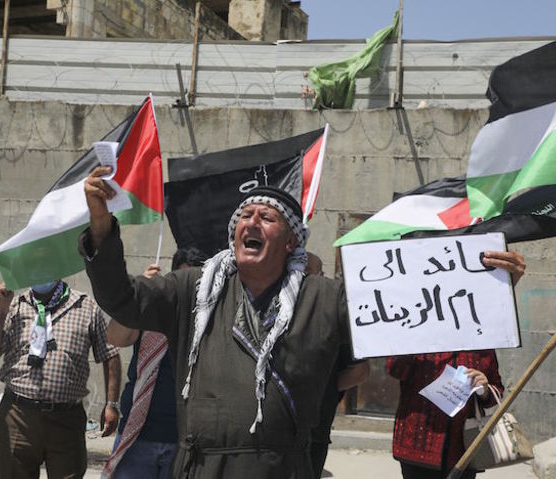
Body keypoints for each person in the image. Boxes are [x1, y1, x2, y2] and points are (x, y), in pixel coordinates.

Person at [81, 169, 353, 478]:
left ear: (291, 240)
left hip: (281, 469)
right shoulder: (192, 290)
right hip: (202, 468)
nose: (251, 222)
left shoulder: (321, 298)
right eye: (245, 215)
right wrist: (101, 227)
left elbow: (384, 319)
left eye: (266, 217)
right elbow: (122, 298)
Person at [386, 251, 525, 479]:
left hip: (463, 450)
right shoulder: (418, 328)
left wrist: (483, 388)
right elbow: (394, 369)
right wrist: (410, 342)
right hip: (418, 446)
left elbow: (496, 389)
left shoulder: (480, 339)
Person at [0, 279, 122, 479]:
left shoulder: (85, 305)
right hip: (18, 416)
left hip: (66, 418)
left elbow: (110, 354)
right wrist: (0, 309)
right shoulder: (15, 305)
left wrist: (111, 404)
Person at [103, 247, 207, 479]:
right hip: (139, 436)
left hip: (186, 442)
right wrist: (137, 296)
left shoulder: (213, 319)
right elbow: (115, 338)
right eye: (183, 280)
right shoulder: (155, 308)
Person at [305, 252, 370, 478]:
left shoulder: (333, 317)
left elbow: (360, 371)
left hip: (312, 433)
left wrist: (323, 388)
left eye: (305, 273)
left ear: (321, 276)